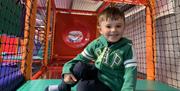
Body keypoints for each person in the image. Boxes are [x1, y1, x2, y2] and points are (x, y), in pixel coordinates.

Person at [46, 6, 137, 91]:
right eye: (108, 26)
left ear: (124, 27)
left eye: (118, 26)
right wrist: (66, 72)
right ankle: (62, 88)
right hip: (98, 73)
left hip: (111, 84)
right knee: (80, 66)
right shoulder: (97, 43)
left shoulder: (127, 47)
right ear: (100, 30)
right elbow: (77, 60)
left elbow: (130, 74)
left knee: (83, 87)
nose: (113, 30)